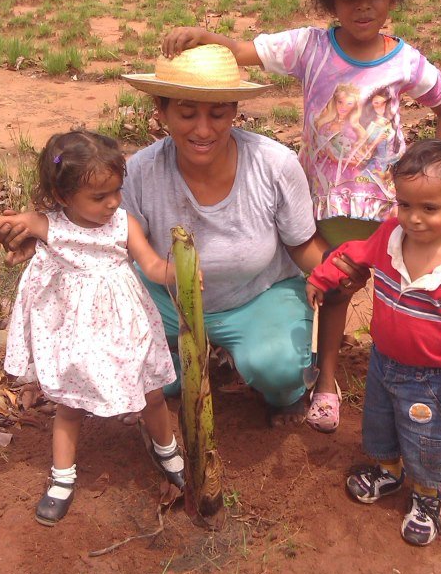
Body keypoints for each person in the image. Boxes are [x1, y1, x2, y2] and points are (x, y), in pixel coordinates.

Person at [161, 0, 441, 434]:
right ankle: (324, 380)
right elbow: (243, 50)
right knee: (333, 287)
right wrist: (204, 38)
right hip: (322, 198)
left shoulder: (406, 62)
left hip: (386, 205)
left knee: (403, 287)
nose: (361, 6)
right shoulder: (310, 47)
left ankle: (413, 374)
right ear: (330, 4)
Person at [0, 130, 185, 527]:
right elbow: (0, 223)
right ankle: (62, 478)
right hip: (74, 331)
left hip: (125, 323)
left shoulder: (123, 224)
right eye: (99, 196)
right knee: (70, 404)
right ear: (63, 196)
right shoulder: (47, 224)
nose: (112, 202)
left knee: (152, 391)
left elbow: (150, 265)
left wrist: (182, 269)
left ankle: (166, 448)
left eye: (116, 191)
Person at [119, 43, 328, 426]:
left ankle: (283, 387)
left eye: (218, 114)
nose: (203, 130)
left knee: (276, 367)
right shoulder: (141, 171)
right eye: (185, 113)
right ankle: (178, 369)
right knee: (121, 360)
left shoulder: (273, 165)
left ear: (234, 110)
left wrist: (339, 270)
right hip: (168, 301)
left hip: (256, 295)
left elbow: (301, 245)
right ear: (161, 112)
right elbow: (122, 239)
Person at [306, 140, 441, 546]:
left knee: (428, 440)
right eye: (405, 205)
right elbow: (354, 254)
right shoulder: (389, 235)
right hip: (383, 362)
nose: (414, 219)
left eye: (429, 209)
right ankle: (388, 471)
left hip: (432, 379)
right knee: (381, 423)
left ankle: (426, 497)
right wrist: (323, 277)